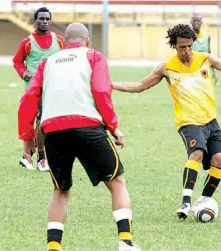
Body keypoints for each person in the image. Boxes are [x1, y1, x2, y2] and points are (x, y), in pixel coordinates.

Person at [112, 24, 221, 220]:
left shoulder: (205, 59)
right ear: (174, 46)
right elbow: (139, 86)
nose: (187, 51)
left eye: (190, 46)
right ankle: (185, 202)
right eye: (182, 47)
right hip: (188, 122)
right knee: (197, 153)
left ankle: (204, 200)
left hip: (210, 121)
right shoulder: (166, 68)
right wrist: (111, 85)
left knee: (220, 159)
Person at [18, 23, 140, 251]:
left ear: (64, 42)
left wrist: (27, 136)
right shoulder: (94, 56)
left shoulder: (47, 63)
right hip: (87, 127)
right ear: (86, 41)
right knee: (116, 182)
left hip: (53, 131)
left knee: (60, 190)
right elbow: (102, 92)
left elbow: (29, 98)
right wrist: (114, 127)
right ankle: (125, 241)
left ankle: (53, 247)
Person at [13, 7, 65, 171]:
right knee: (29, 123)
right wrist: (24, 73)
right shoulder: (28, 42)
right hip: (33, 89)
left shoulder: (60, 41)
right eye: (41, 19)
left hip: (52, 88)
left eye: (47, 19)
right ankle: (31, 156)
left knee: (43, 123)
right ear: (35, 21)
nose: (44, 22)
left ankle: (39, 158)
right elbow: (17, 61)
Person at [190, 12, 217, 85]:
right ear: (191, 22)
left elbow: (209, 54)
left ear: (201, 22)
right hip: (191, 71)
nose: (196, 22)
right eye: (194, 20)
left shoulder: (206, 37)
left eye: (198, 21)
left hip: (204, 70)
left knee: (205, 91)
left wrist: (214, 72)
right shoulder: (187, 37)